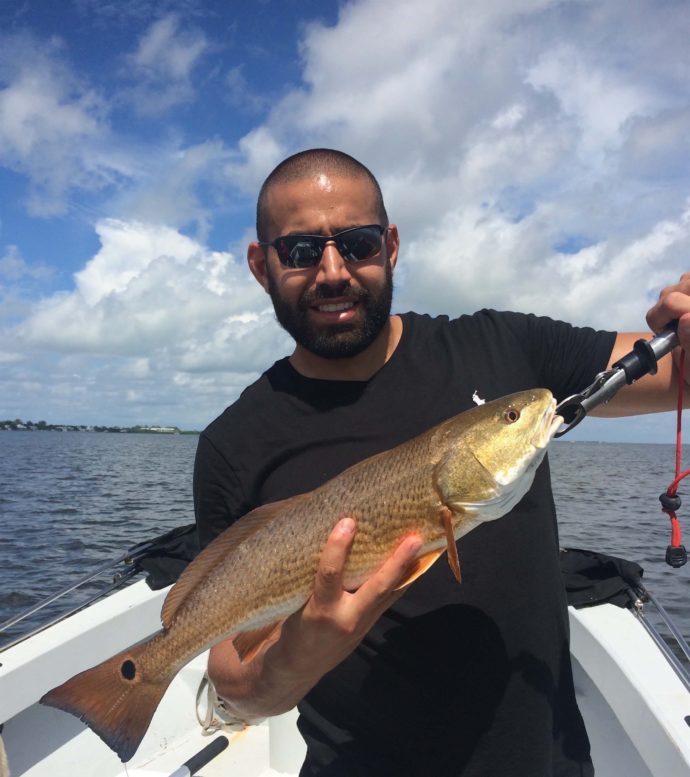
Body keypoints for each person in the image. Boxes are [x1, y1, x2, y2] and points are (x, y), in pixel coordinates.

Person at [193, 148, 689, 777]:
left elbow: (679, 376)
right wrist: (293, 658)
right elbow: (232, 678)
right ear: (261, 266)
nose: (333, 271)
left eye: (358, 242)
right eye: (298, 251)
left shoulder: (505, 346)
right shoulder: (232, 445)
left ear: (391, 245)